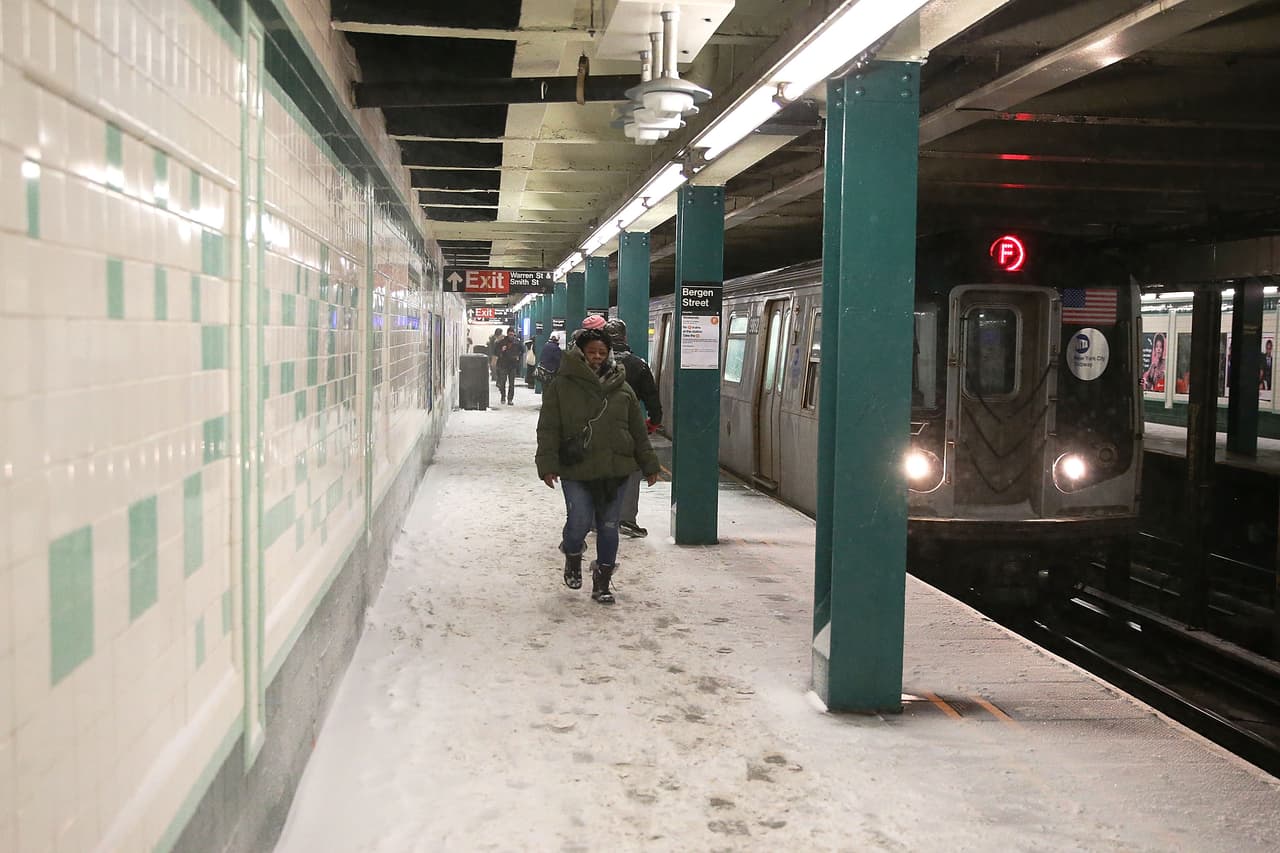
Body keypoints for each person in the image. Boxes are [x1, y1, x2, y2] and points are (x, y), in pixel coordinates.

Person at [536, 327, 660, 604]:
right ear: (580, 353)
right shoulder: (561, 385)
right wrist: (547, 464)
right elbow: (548, 427)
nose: (596, 357)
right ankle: (572, 554)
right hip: (576, 467)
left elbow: (638, 431)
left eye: (602, 353)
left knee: (608, 525)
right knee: (579, 520)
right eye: (591, 352)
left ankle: (602, 580)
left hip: (615, 469)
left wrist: (649, 465)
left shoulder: (623, 388)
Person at [603, 318, 663, 538]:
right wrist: (653, 422)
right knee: (632, 469)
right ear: (625, 337)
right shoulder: (639, 365)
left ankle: (593, 517)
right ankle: (626, 518)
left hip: (597, 425)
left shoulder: (595, 363)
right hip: (628, 426)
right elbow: (652, 399)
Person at [492, 327, 523, 405]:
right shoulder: (501, 342)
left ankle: (510, 399)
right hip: (503, 364)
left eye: (512, 335)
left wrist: (518, 356)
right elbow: (495, 352)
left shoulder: (517, 342)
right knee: (502, 382)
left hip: (512, 365)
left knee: (512, 383)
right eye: (510, 334)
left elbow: (522, 350)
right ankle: (503, 396)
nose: (511, 336)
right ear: (507, 334)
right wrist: (501, 350)